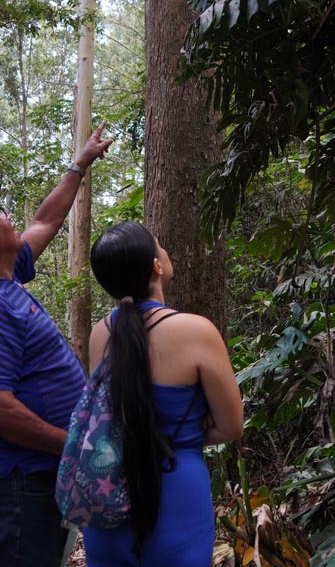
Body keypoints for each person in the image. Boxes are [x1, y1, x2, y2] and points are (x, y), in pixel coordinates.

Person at [0, 121, 112, 567]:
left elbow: (46, 219)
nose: (10, 216)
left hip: (35, 479)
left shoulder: (4, 276)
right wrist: (75, 446)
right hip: (17, 488)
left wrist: (80, 164)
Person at [81, 222, 243, 566]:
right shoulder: (196, 331)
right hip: (178, 492)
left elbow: (110, 417)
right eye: (160, 246)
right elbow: (231, 427)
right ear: (156, 266)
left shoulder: (101, 333)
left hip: (109, 495)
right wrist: (183, 435)